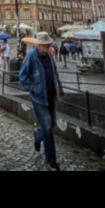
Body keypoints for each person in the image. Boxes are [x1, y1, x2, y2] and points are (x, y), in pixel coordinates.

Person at [19, 32, 65, 171]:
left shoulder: (49, 55)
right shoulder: (31, 56)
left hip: (50, 94)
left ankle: (38, 135)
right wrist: (32, 88)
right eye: (46, 44)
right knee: (47, 125)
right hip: (39, 97)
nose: (48, 46)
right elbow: (23, 75)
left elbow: (55, 72)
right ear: (39, 44)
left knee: (51, 124)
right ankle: (51, 160)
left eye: (49, 44)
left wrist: (60, 87)